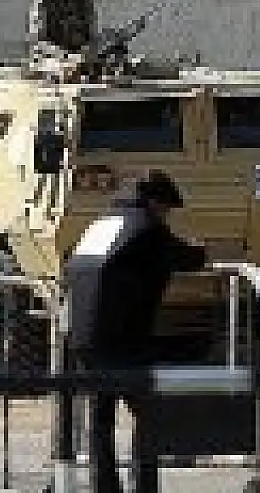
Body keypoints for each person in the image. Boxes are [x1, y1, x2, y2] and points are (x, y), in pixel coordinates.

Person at [63, 170, 207, 493]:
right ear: (154, 202)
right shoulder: (147, 228)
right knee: (149, 413)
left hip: (83, 336)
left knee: (101, 417)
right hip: (121, 339)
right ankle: (145, 486)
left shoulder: (102, 225)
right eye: (166, 209)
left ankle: (105, 486)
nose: (166, 216)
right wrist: (201, 249)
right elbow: (187, 258)